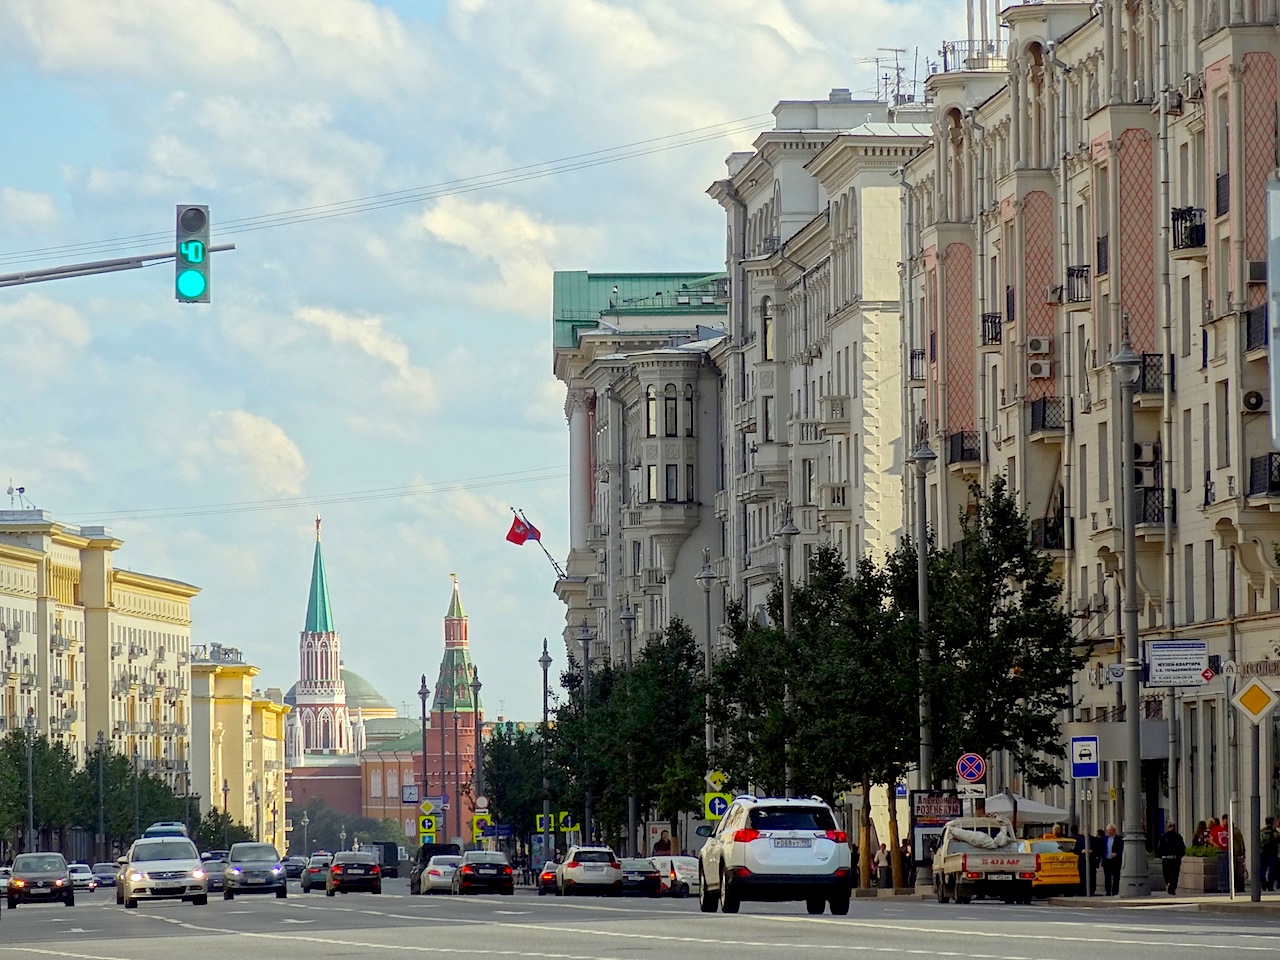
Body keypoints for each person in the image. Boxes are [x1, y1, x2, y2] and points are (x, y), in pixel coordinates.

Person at [1155, 821, 1186, 895]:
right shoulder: (1178, 836)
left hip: (1166, 858)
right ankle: (1172, 888)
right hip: (1175, 858)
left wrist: (1159, 855)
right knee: (1175, 874)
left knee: (1167, 873)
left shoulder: (1163, 837)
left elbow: (1160, 848)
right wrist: (1180, 855)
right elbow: (1182, 848)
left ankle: (1169, 884)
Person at [1100, 823, 1123, 896]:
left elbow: (1122, 849)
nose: (1109, 832)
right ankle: (1108, 892)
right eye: (1108, 830)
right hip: (1107, 860)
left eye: (1111, 830)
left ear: (1114, 830)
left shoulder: (1119, 839)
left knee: (1116, 877)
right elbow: (1101, 848)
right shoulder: (1104, 839)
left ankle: (1115, 892)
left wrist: (1116, 854)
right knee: (1107, 878)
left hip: (1115, 861)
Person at [1261, 816, 1278, 892]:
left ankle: (1264, 883)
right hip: (1272, 853)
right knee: (1272, 870)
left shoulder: (1261, 832)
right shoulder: (1275, 833)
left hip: (1263, 852)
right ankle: (1270, 886)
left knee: (1262, 870)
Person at [1088, 829, 1105, 895]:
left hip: (1096, 860)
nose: (1097, 836)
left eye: (1098, 835)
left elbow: (1099, 851)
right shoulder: (1096, 840)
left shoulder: (1099, 841)